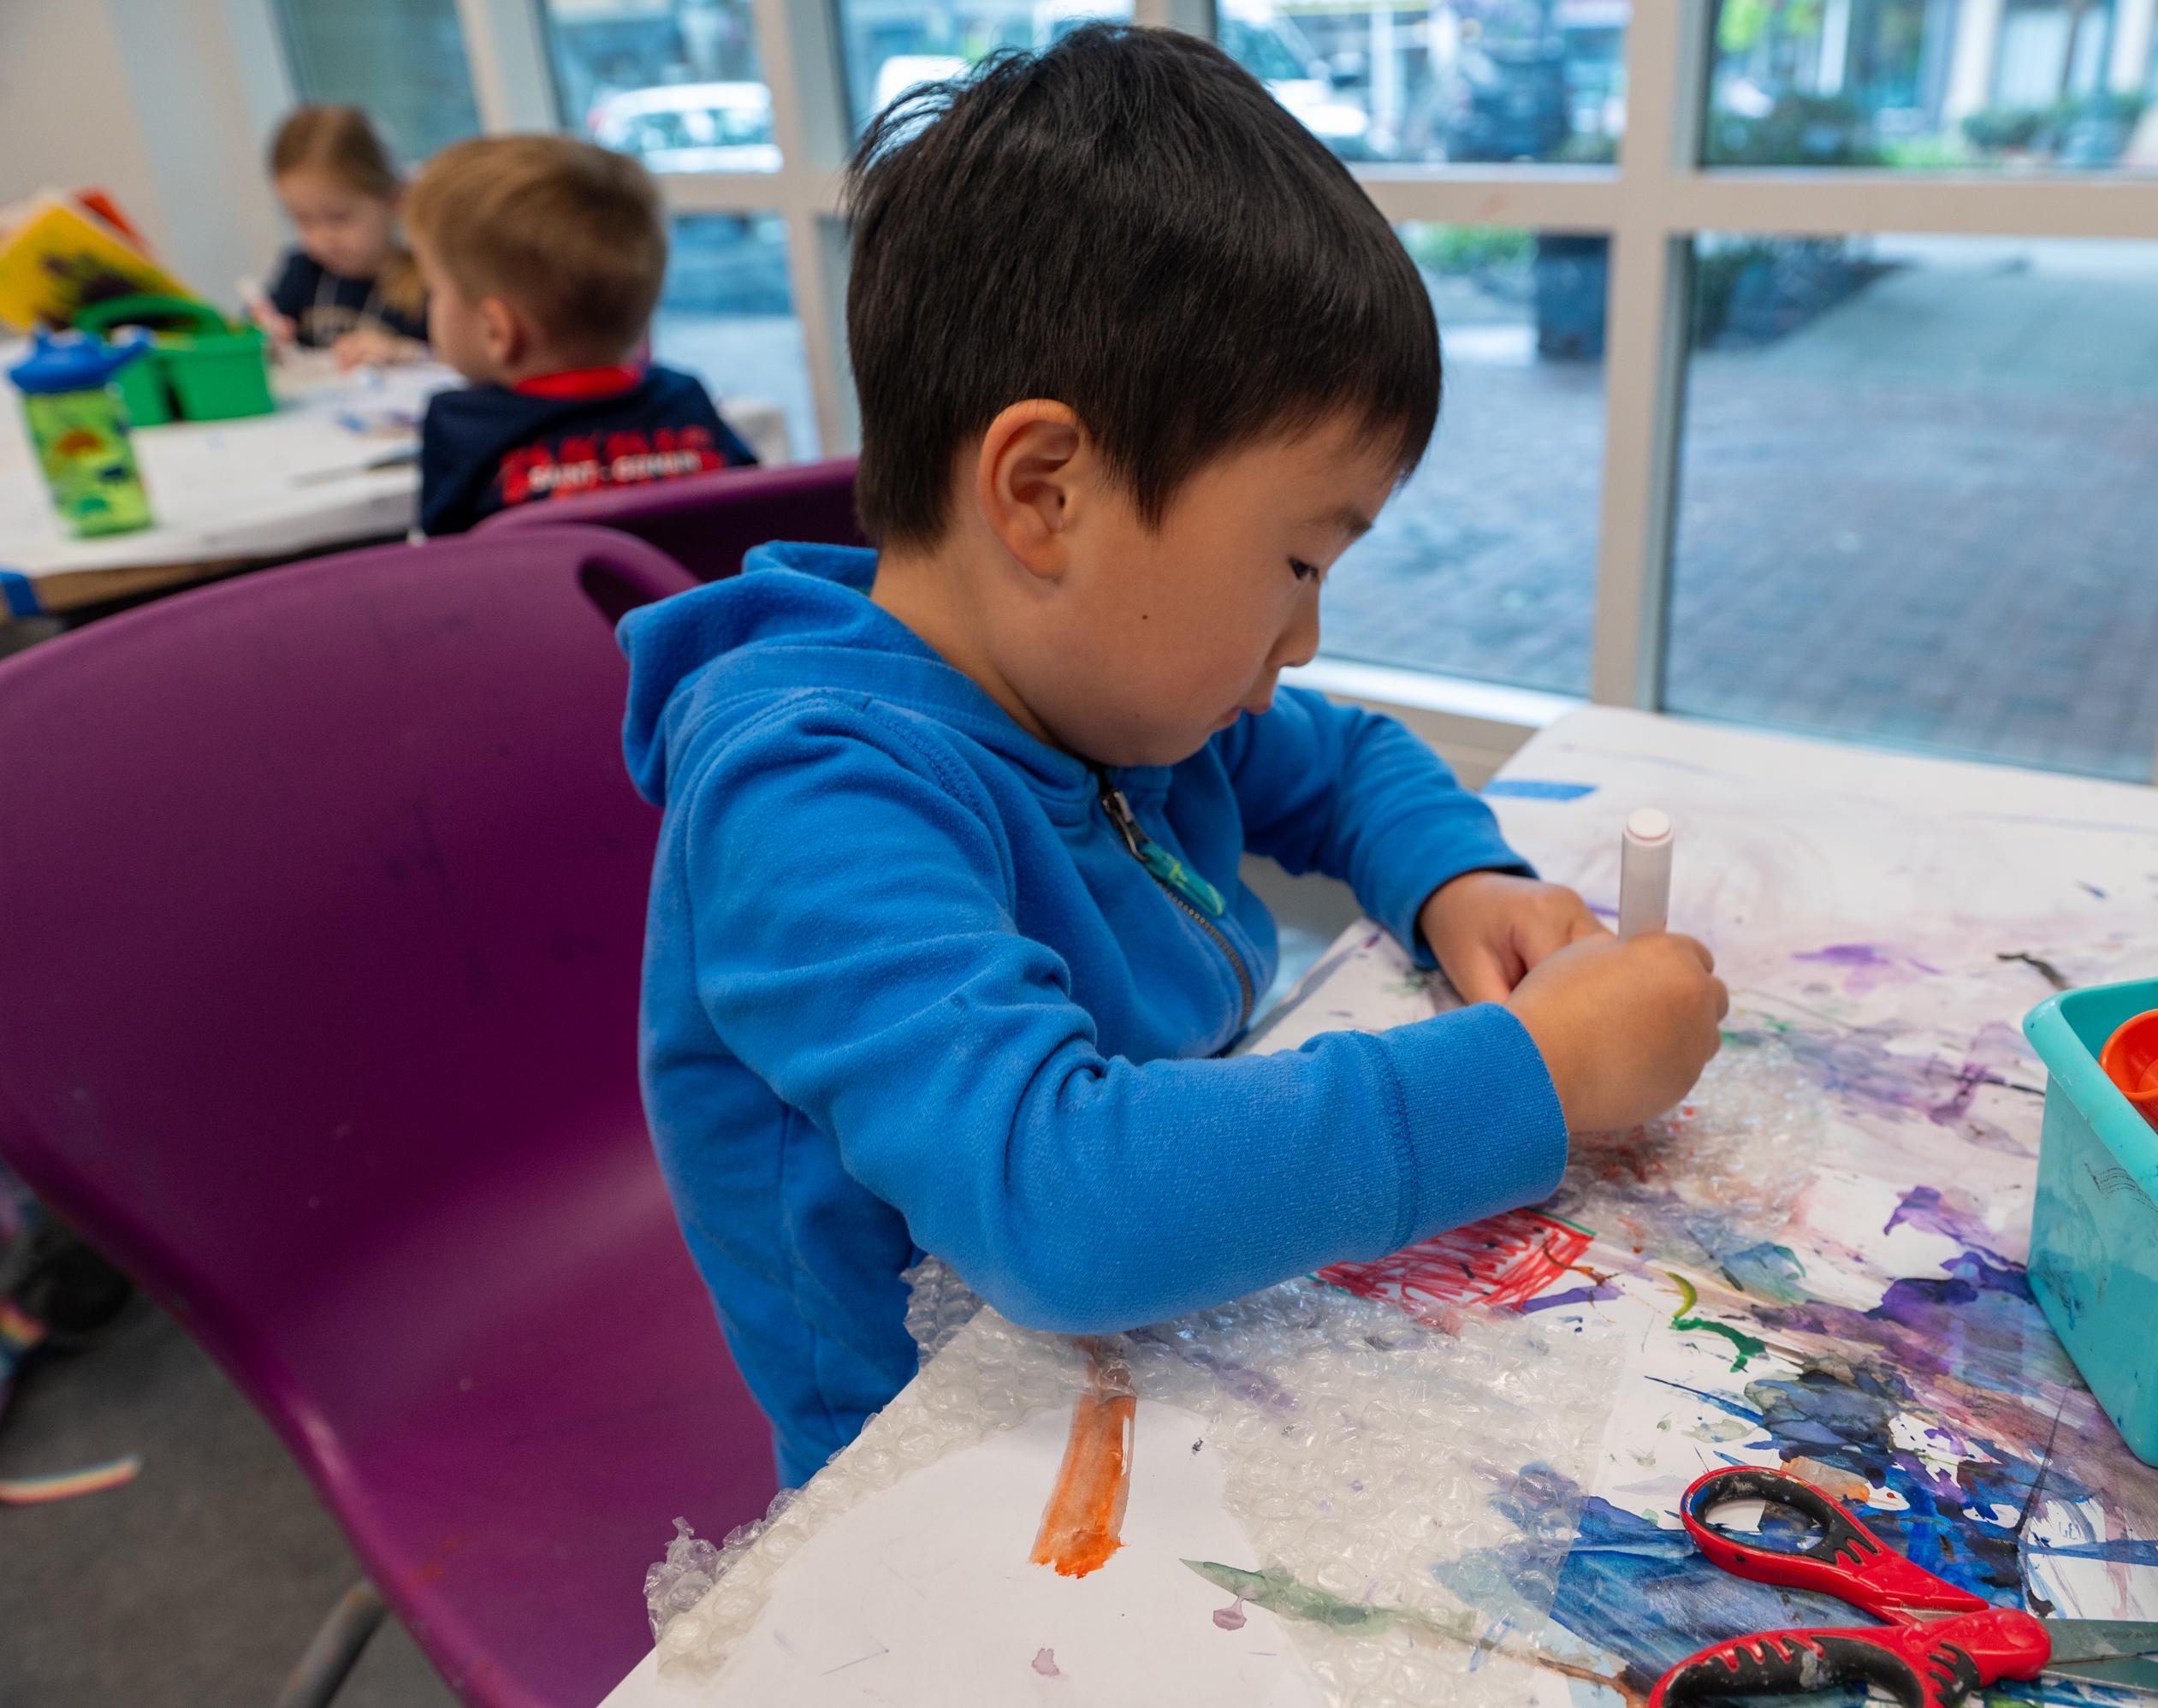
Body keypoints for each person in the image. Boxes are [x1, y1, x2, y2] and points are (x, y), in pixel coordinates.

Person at [617, 25, 1728, 1489]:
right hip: (933, 1467)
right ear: (1045, 494)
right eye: (1294, 561)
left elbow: (1344, 762)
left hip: (1154, 1361)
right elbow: (1057, 1197)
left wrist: (1463, 885)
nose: (1307, 638)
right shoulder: (812, 792)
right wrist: (1536, 1072)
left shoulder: (1105, 685)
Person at [402, 135, 756, 537]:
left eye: (434, 290)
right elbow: (748, 511)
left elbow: (442, 563)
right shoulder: (685, 398)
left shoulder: (459, 426)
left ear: (496, 330)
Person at [257, 105, 430, 367]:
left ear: (394, 198)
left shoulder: (429, 281)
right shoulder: (302, 272)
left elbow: (458, 362)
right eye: (303, 219)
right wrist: (262, 335)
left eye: (338, 217)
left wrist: (406, 352)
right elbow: (259, 328)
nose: (321, 237)